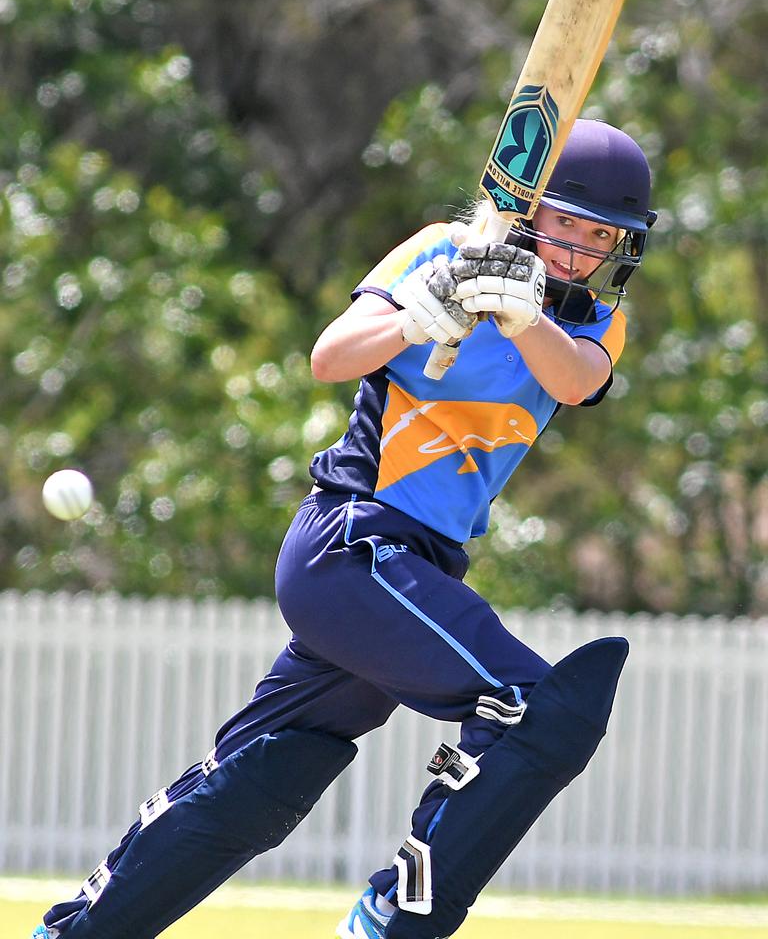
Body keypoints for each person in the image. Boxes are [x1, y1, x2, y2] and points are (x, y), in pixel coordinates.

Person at [31, 119, 655, 939]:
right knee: (534, 707)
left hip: (416, 568)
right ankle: (390, 918)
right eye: (565, 223)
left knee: (266, 771)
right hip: (352, 541)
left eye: (599, 234)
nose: (578, 250)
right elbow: (331, 356)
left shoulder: (590, 321)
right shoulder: (441, 249)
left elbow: (574, 382)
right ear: (528, 207)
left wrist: (519, 312)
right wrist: (415, 319)